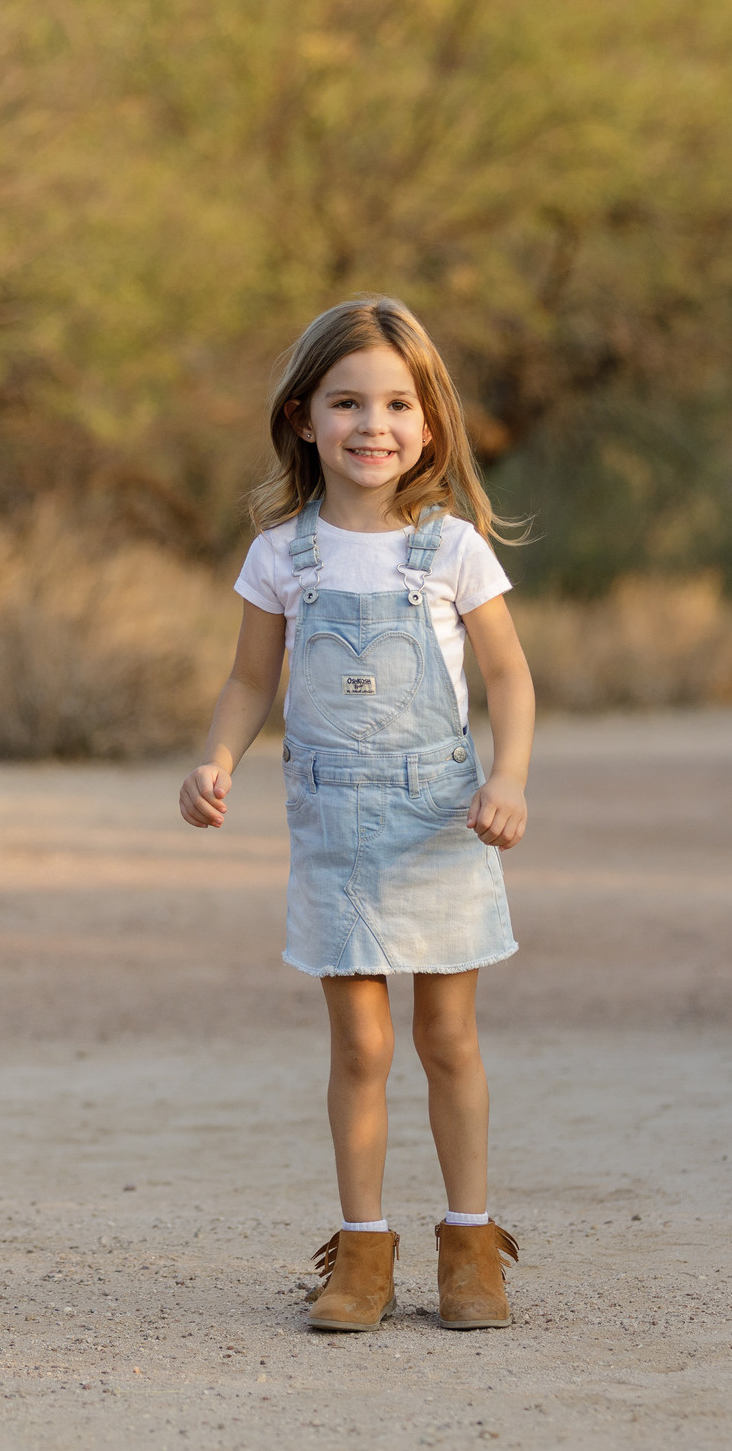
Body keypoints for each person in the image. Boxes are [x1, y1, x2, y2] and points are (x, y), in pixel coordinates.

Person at [178, 294, 535, 1334]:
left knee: (448, 1037)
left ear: (429, 422)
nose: (371, 425)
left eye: (396, 404)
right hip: (335, 831)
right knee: (359, 1048)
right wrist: (215, 759)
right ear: (302, 417)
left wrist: (509, 777)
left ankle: (470, 1248)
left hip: (442, 824)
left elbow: (510, 678)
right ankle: (363, 1252)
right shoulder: (281, 555)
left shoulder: (452, 548)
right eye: (346, 403)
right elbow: (250, 681)